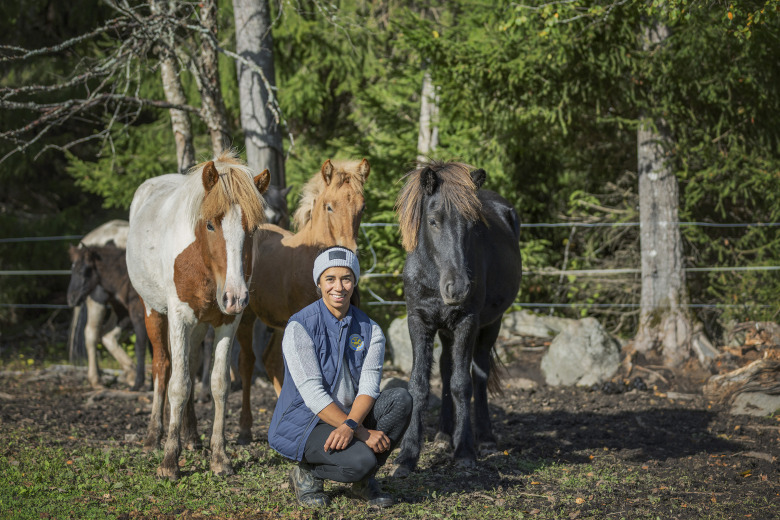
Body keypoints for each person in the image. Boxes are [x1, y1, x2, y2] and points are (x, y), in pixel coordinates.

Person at [268, 246, 412, 508]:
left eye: (346, 278)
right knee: (362, 462)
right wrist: (358, 431)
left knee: (401, 399)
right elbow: (312, 393)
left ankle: (361, 482)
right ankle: (307, 473)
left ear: (354, 281)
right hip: (308, 421)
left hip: (348, 418)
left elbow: (369, 386)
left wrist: (352, 425)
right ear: (319, 282)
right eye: (330, 278)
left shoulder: (371, 329)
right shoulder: (299, 327)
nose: (339, 286)